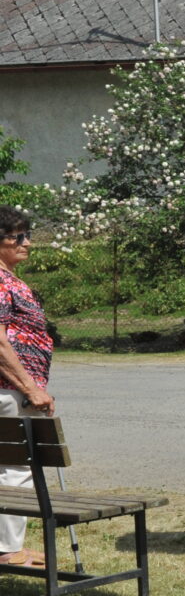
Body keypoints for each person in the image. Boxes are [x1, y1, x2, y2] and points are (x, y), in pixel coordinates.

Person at [0, 206, 55, 569]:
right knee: (14, 468)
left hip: (12, 388)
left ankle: (7, 546)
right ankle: (8, 548)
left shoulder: (8, 279)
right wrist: (31, 388)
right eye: (17, 236)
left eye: (27, 235)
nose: (27, 242)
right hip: (9, 390)